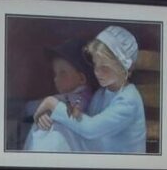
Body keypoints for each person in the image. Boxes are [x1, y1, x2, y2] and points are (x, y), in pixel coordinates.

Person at [30, 25, 147, 154]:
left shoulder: (129, 100)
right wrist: (50, 114)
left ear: (124, 67)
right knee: (55, 129)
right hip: (101, 153)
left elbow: (91, 129)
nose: (97, 72)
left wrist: (53, 104)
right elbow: (80, 119)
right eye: (96, 65)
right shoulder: (101, 94)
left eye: (104, 67)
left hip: (122, 163)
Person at [21, 45, 95, 152]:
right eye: (55, 74)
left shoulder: (77, 98)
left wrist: (29, 108)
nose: (56, 79)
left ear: (81, 79)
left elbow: (33, 107)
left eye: (62, 73)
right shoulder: (72, 96)